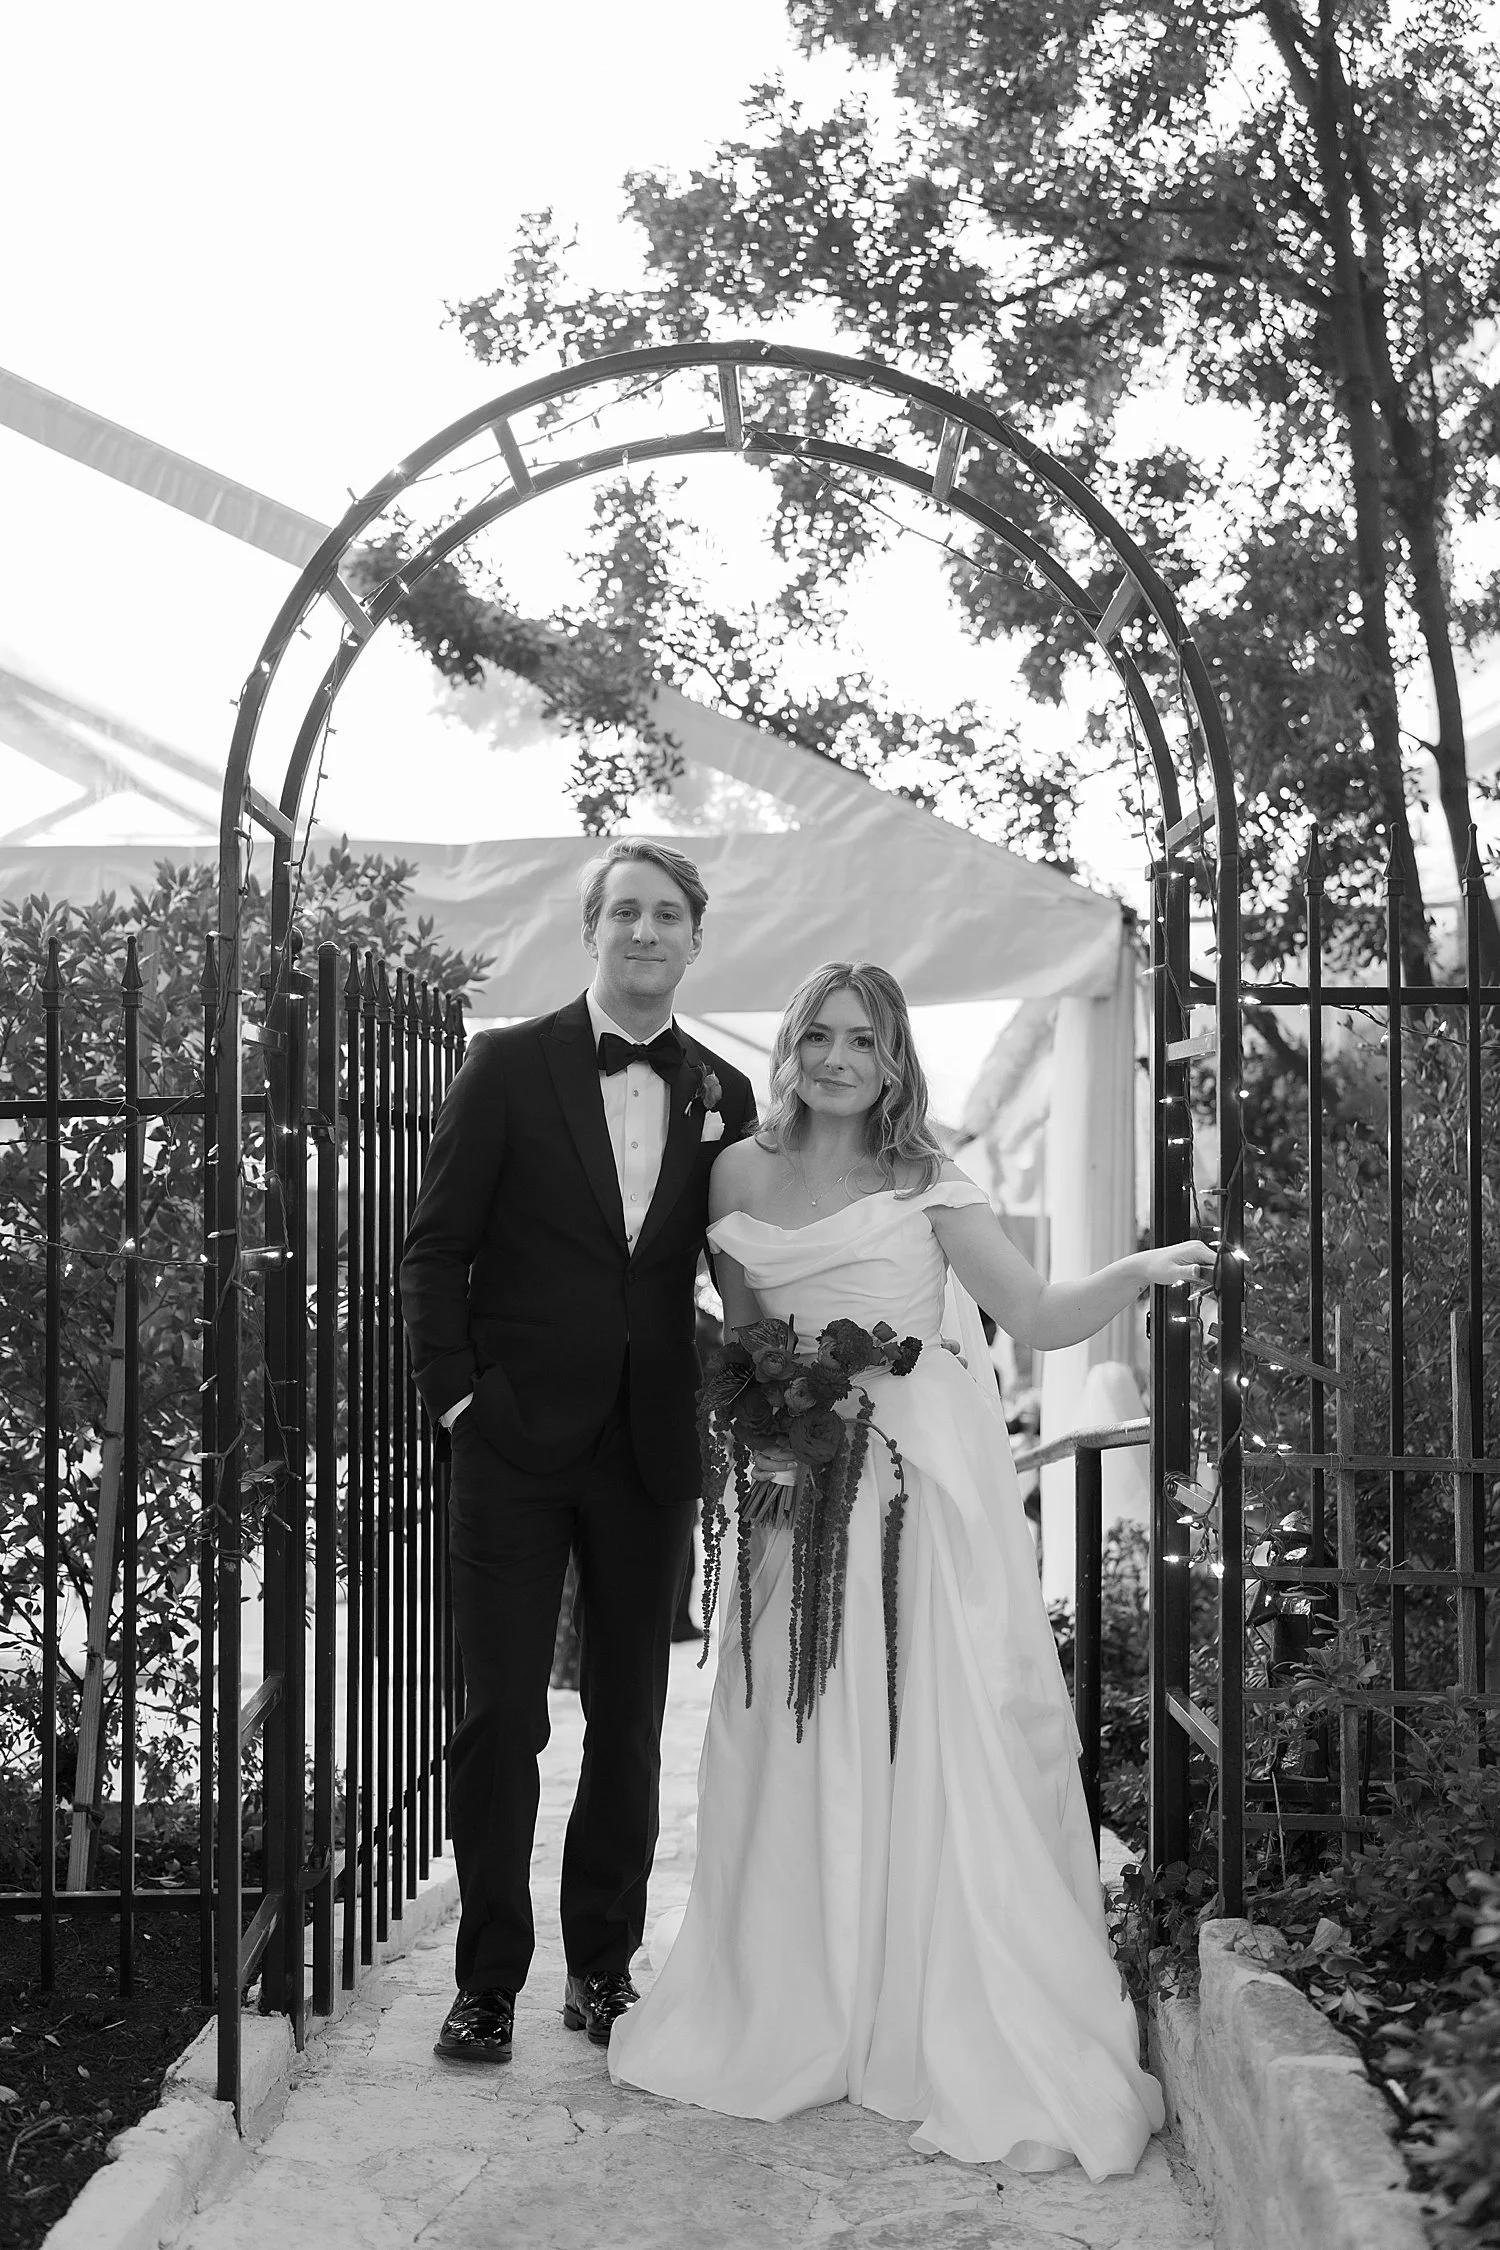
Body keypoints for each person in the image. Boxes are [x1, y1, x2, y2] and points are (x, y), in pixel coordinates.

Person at [608, 962, 1214, 2177]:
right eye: (817, 1036)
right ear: (789, 1047)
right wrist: (771, 1423)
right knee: (784, 1732)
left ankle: (915, 2003)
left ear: (895, 1063)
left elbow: (1035, 1316)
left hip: (913, 1503)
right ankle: (795, 1996)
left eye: (863, 1042)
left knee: (920, 1736)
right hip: (790, 1494)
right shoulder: (732, 1172)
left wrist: (1141, 1272)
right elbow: (740, 1338)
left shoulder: (926, 1179)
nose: (837, 1058)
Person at [399, 840, 756, 2064]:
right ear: (590, 930)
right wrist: (457, 1402)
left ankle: (600, 1970)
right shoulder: (506, 1066)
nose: (646, 933)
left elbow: (746, 1268)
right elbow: (435, 1246)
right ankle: (488, 1978)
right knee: (500, 1716)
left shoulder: (725, 1092)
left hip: (649, 1445)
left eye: (668, 916)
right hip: (510, 1441)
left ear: (694, 940)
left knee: (631, 1715)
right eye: (626, 914)